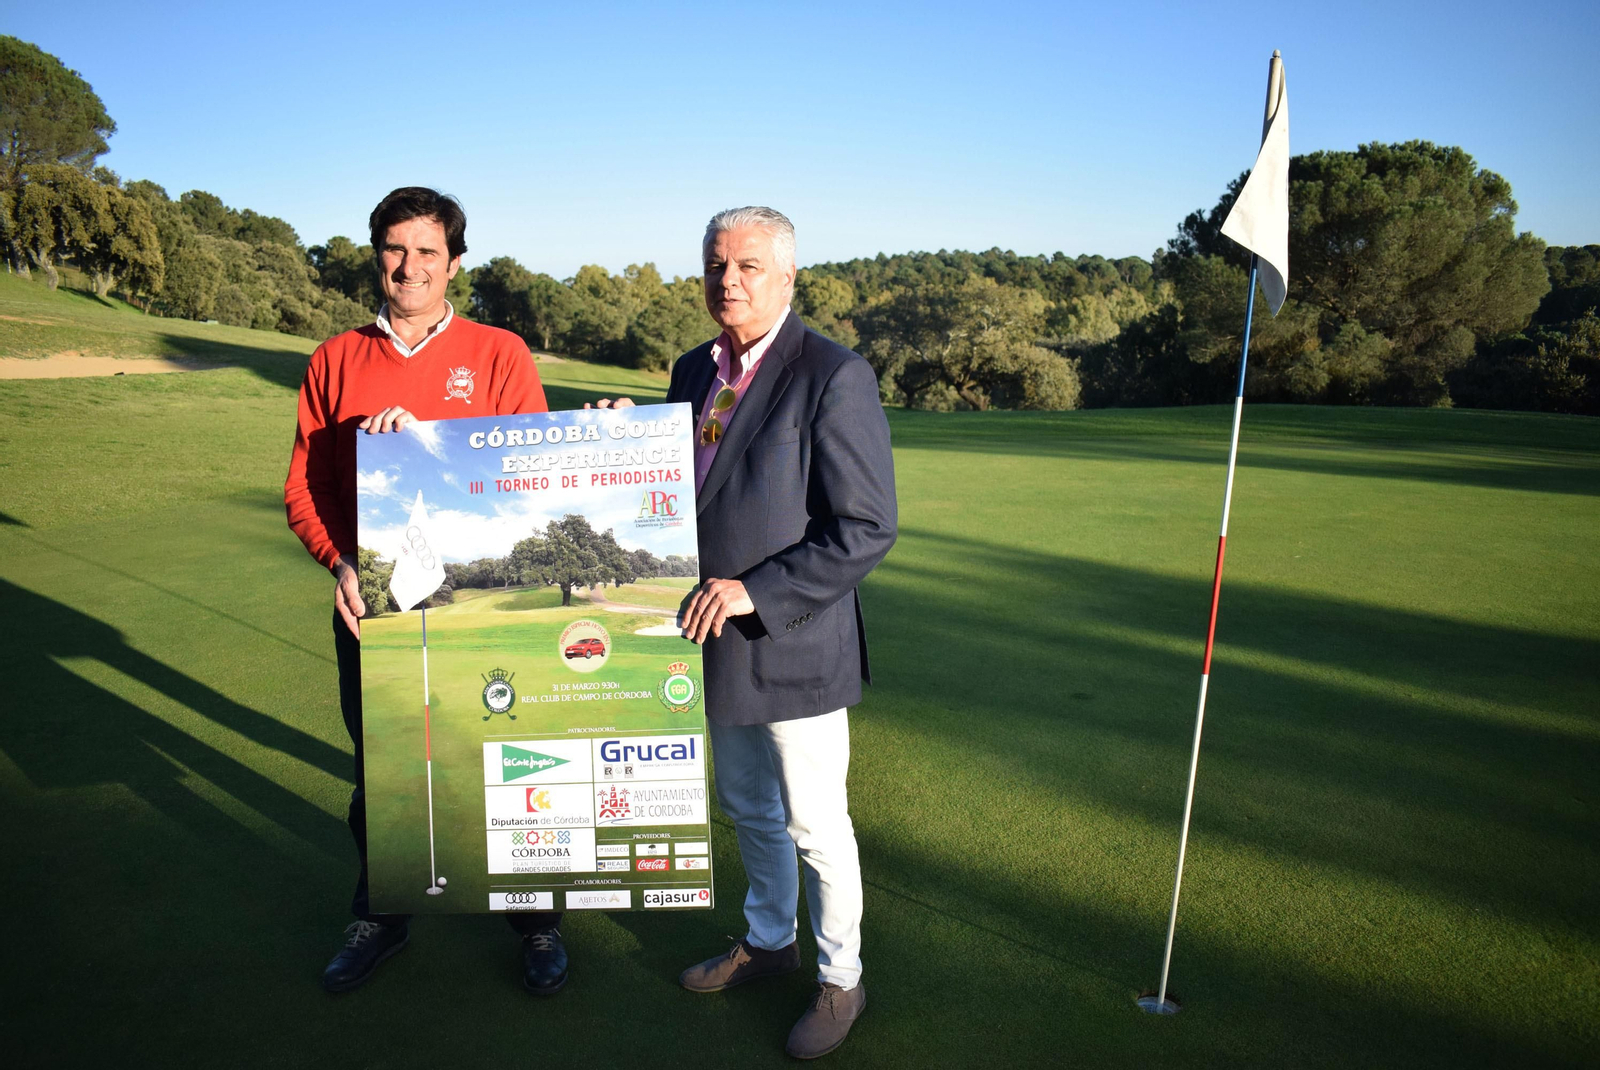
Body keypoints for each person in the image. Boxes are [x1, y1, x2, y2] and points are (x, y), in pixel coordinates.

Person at [596, 206, 897, 1059]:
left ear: (789, 275)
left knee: (814, 823)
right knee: (748, 809)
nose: (728, 280)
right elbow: (671, 497)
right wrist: (618, 443)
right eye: (716, 264)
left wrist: (754, 592)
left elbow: (866, 528)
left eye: (749, 266)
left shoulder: (834, 374)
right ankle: (770, 942)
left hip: (794, 644)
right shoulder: (693, 368)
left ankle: (842, 980)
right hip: (708, 641)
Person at [283, 187, 570, 996]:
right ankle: (380, 914)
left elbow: (529, 477)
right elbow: (305, 485)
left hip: (472, 607)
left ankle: (536, 919)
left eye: (427, 252)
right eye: (394, 248)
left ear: (454, 264)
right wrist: (342, 563)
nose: (408, 267)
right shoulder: (336, 358)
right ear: (377, 252)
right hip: (371, 609)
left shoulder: (498, 353)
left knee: (503, 759)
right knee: (385, 772)